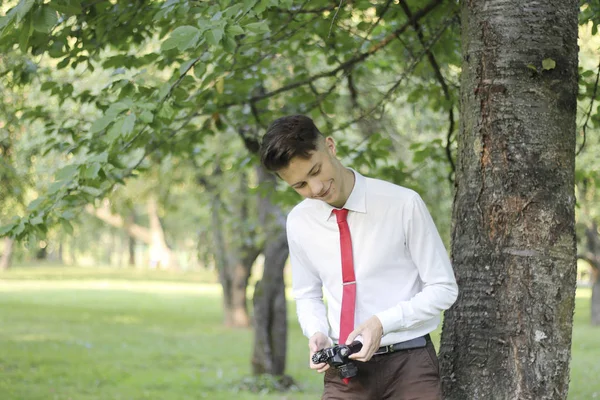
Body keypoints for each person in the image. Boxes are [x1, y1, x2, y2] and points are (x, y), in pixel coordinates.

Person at [259, 115, 458, 399]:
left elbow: (443, 289)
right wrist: (317, 332)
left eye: (316, 171)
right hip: (344, 371)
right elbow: (307, 294)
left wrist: (382, 322)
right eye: (300, 185)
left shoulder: (403, 204)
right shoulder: (299, 222)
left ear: (330, 146)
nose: (315, 189)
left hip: (410, 364)